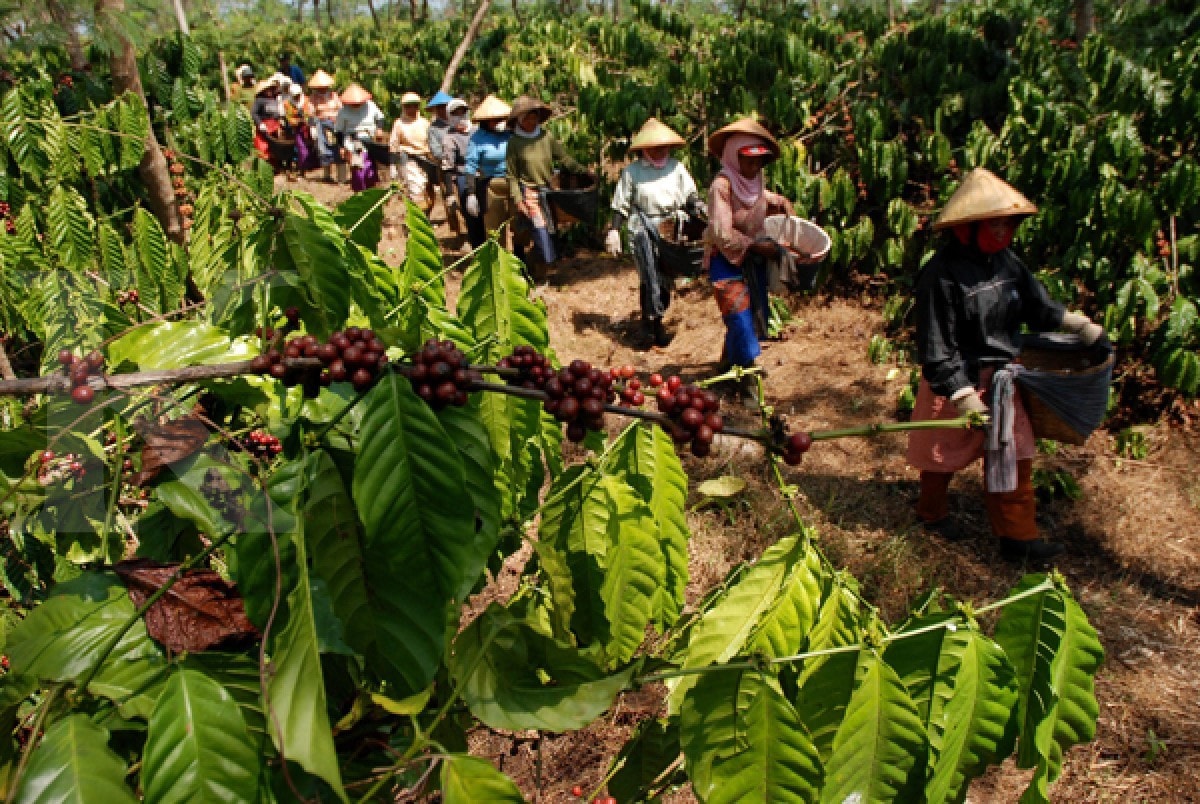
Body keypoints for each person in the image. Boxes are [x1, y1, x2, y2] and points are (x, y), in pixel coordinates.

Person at [907, 167, 1107, 561]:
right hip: (956, 380)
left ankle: (1018, 537)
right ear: (967, 227)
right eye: (993, 225)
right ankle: (930, 513)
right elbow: (936, 346)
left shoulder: (1007, 263)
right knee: (940, 455)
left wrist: (1078, 326)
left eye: (1006, 225)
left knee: (1014, 453)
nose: (1001, 233)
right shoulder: (941, 276)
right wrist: (963, 396)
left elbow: (1037, 304)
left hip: (1001, 377)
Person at [702, 118, 794, 376]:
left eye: (758, 161)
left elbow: (758, 196)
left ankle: (727, 367)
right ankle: (748, 379)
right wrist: (754, 245)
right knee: (739, 316)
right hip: (725, 258)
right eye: (749, 160)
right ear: (734, 157)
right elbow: (722, 233)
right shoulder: (722, 186)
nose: (754, 167)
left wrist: (780, 202)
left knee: (747, 316)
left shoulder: (755, 180)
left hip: (751, 259)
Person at [606, 118, 704, 348]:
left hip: (671, 229)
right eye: (655, 148)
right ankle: (649, 326)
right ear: (645, 149)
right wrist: (613, 230)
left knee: (665, 279)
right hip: (643, 229)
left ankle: (658, 319)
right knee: (649, 277)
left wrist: (697, 206)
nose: (660, 151)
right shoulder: (633, 172)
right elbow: (621, 204)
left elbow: (690, 195)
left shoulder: (676, 168)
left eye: (663, 147)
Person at [505, 95, 587, 269]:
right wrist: (518, 199)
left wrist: (583, 171)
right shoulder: (514, 143)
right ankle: (548, 265)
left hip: (549, 189)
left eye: (534, 117)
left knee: (552, 228)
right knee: (539, 227)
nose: (531, 122)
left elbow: (564, 158)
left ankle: (543, 262)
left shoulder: (546, 137)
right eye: (527, 118)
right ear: (519, 120)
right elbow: (512, 175)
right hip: (530, 192)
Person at [463, 95, 513, 249]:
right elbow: (470, 166)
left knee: (519, 228)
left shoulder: (510, 135)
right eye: (494, 120)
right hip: (491, 185)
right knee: (495, 228)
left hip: (513, 182)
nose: (498, 123)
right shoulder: (477, 139)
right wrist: (471, 193)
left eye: (501, 119)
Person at [334, 83, 386, 191]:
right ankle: (359, 192)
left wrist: (379, 129)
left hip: (370, 139)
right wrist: (341, 147)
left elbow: (380, 117)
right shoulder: (343, 112)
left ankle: (372, 190)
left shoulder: (370, 106)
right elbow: (338, 131)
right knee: (358, 169)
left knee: (371, 169)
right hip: (353, 141)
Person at [389, 92, 434, 209]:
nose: (412, 109)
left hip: (425, 159)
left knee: (428, 191)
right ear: (403, 107)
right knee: (415, 190)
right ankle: (416, 221)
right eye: (408, 106)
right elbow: (393, 145)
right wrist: (393, 166)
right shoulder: (399, 124)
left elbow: (431, 142)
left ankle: (425, 220)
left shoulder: (424, 123)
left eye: (414, 105)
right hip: (408, 160)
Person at [440, 98, 473, 235]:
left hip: (482, 174)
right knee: (469, 213)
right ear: (450, 116)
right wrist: (450, 193)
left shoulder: (477, 131)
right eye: (456, 113)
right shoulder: (449, 137)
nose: (460, 117)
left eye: (462, 112)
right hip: (463, 175)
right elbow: (448, 166)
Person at [307, 70, 343, 181]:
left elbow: (341, 108)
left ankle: (341, 177)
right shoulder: (313, 98)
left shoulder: (334, 95)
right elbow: (310, 112)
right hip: (321, 125)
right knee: (324, 149)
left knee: (339, 148)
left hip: (336, 124)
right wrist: (312, 127)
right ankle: (327, 176)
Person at [250, 77, 285, 163]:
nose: (269, 91)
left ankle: (277, 164)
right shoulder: (259, 101)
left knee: (276, 147)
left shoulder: (274, 99)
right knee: (264, 148)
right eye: (267, 90)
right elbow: (254, 113)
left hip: (275, 126)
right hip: (265, 126)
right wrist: (260, 123)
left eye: (270, 89)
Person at [426, 90, 454, 163]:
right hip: (447, 165)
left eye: (445, 106)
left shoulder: (460, 124)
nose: (443, 110)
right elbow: (436, 151)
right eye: (440, 107)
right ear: (436, 110)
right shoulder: (433, 129)